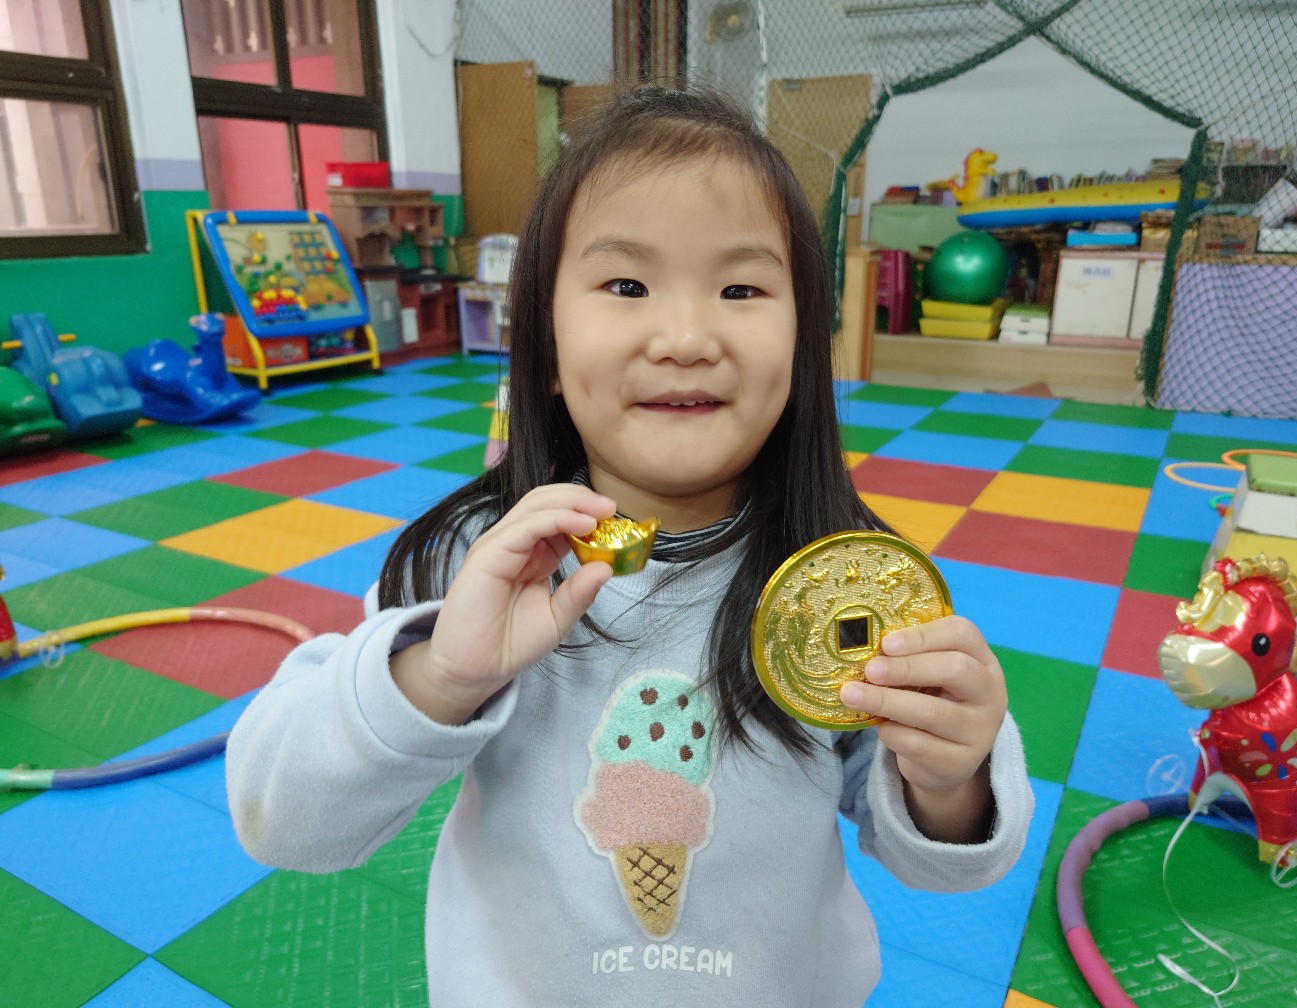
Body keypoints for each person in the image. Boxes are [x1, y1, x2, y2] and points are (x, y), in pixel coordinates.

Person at [226, 84, 1033, 1007]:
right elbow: (283, 825)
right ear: (545, 345)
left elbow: (946, 865)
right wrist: (438, 678)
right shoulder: (472, 563)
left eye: (740, 289)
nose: (684, 338)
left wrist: (951, 780)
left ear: (804, 342)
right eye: (626, 286)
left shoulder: (840, 583)